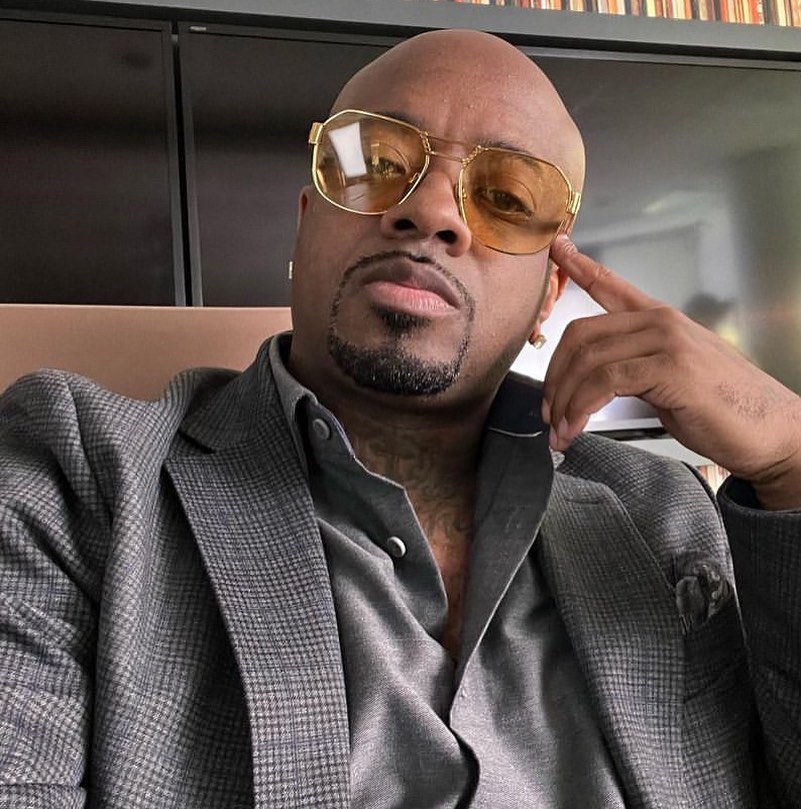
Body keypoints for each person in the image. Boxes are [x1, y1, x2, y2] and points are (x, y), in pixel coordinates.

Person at [1, 28, 799, 809]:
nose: (431, 211)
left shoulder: (657, 509)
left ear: (547, 297)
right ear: (306, 221)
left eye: (505, 197)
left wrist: (791, 457)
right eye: (376, 163)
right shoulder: (79, 474)